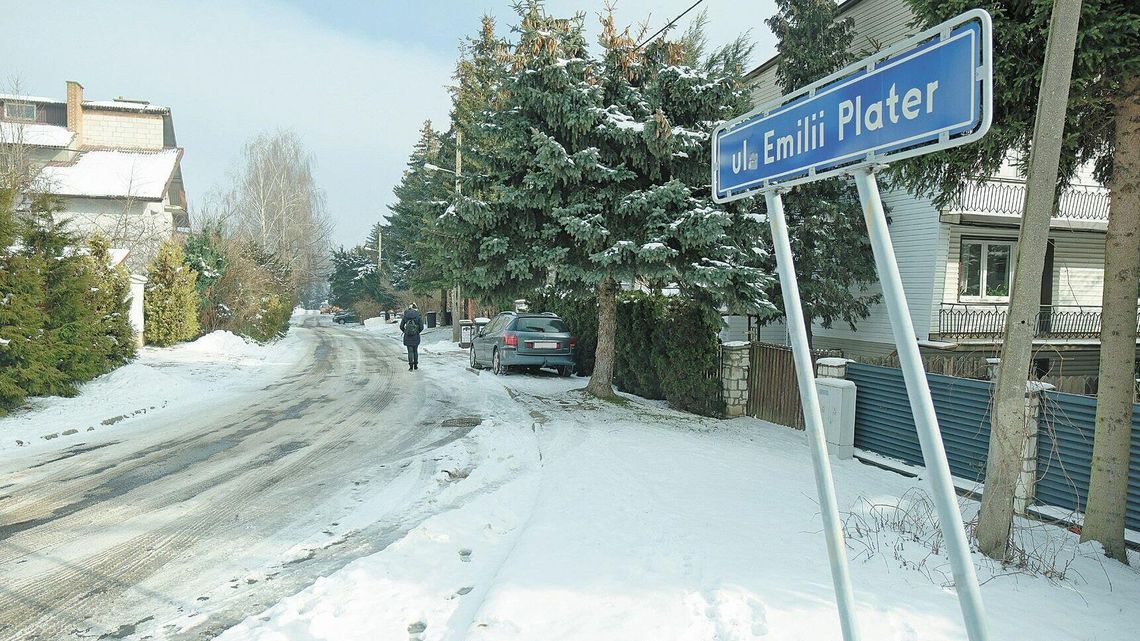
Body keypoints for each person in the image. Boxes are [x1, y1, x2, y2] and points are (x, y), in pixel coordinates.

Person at [399, 303, 423, 371]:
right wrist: (417, 331)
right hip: (416, 336)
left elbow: (401, 326)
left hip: (408, 336)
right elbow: (421, 327)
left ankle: (411, 366)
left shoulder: (405, 316)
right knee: (415, 351)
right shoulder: (418, 316)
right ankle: (415, 365)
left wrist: (405, 331)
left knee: (410, 351)